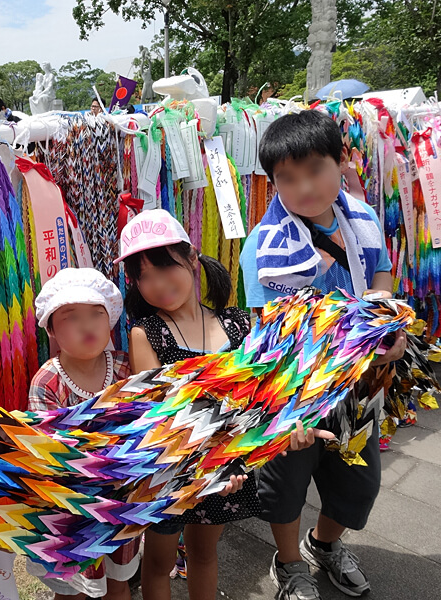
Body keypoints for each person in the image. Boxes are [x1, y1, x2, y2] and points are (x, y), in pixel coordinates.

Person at [240, 110, 407, 600]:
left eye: (315, 169)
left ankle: (325, 545)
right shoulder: (265, 246)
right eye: (287, 178)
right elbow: (267, 335)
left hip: (358, 383)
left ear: (342, 162)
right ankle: (289, 562)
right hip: (294, 388)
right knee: (286, 485)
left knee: (359, 481)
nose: (304, 187)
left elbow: (381, 278)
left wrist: (386, 331)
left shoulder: (364, 218)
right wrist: (285, 412)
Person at [116, 209, 259, 600]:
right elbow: (160, 411)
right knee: (159, 563)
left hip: (228, 468)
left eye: (166, 267)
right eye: (144, 276)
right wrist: (208, 464)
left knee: (204, 553)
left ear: (192, 258)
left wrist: (238, 458)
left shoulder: (237, 324)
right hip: (171, 471)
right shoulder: (147, 333)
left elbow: (256, 401)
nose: (158, 284)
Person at [27, 267, 138, 600]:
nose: (87, 325)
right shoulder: (47, 382)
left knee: (118, 583)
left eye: (96, 314)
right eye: (71, 317)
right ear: (52, 331)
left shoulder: (125, 366)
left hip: (120, 498)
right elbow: (48, 450)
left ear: (110, 321)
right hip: (71, 505)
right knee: (74, 587)